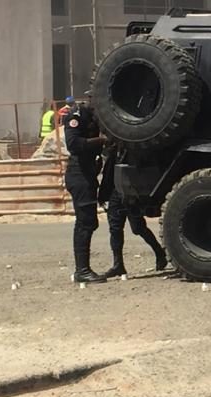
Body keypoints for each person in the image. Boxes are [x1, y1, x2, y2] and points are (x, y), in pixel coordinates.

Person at [98, 144, 168, 278]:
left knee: (138, 228)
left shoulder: (135, 149)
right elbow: (108, 173)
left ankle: (159, 252)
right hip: (116, 193)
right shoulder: (114, 150)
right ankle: (118, 264)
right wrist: (103, 195)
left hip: (131, 194)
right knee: (115, 229)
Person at [63, 91, 107, 283]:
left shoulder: (96, 119)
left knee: (89, 221)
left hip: (87, 173)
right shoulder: (76, 116)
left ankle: (83, 269)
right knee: (85, 221)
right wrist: (102, 141)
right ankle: (82, 270)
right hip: (78, 173)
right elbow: (73, 144)